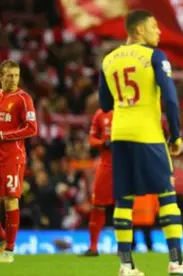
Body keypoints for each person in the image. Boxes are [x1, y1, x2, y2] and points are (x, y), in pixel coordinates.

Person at [99, 9, 183, 276]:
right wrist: (176, 135)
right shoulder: (155, 56)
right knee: (167, 196)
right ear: (139, 30)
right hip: (147, 134)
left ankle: (125, 266)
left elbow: (104, 104)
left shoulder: (109, 60)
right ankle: (177, 262)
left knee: (123, 201)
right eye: (155, 26)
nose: (158, 32)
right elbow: (170, 98)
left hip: (120, 135)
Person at [0, 60, 38, 263]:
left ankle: (10, 252)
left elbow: (32, 128)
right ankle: (2, 238)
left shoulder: (23, 99)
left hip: (12, 158)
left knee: (10, 201)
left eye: (16, 75)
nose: (14, 79)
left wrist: (1, 136)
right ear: (0, 76)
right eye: (9, 75)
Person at [83, 108, 114, 256]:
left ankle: (126, 246)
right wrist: (103, 143)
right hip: (106, 166)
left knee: (125, 206)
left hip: (126, 166)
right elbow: (91, 139)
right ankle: (93, 247)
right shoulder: (101, 114)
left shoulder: (128, 111)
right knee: (98, 205)